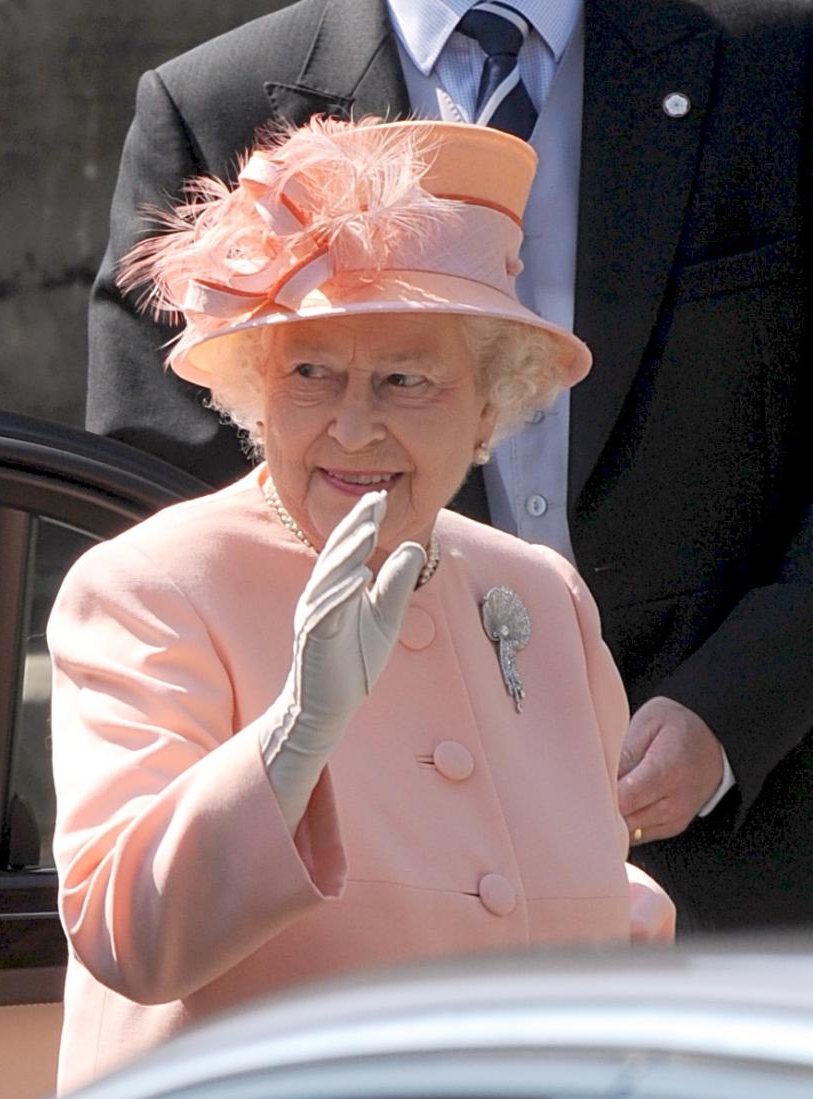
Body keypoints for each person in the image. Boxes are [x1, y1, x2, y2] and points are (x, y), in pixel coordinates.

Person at [87, 0, 813, 933]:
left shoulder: (772, 64)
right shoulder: (212, 100)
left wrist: (736, 707)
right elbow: (164, 516)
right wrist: (317, 732)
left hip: (758, 843)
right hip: (345, 886)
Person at [50, 117, 673, 1093]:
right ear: (260, 390)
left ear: (487, 408)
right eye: (310, 373)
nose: (351, 424)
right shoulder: (152, 588)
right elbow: (127, 934)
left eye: (403, 380)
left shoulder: (539, 594)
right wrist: (298, 734)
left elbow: (592, 895)